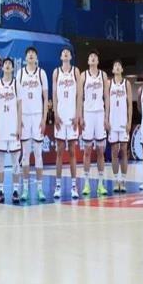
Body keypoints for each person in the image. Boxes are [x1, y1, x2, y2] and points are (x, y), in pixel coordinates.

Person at [17, 47, 48, 202]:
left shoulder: (41, 73)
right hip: (24, 117)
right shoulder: (20, 73)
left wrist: (44, 118)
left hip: (37, 117)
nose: (31, 55)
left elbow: (45, 98)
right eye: (28, 53)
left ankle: (40, 189)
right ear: (25, 58)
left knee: (38, 154)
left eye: (33, 54)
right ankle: (25, 189)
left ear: (36, 58)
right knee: (25, 155)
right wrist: (19, 119)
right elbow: (18, 99)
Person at [78, 50, 109, 196]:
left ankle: (101, 184)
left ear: (98, 61)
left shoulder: (103, 75)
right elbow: (79, 97)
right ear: (88, 61)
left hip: (100, 114)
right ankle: (86, 184)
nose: (92, 58)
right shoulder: (83, 75)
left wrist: (106, 117)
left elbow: (107, 97)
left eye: (95, 57)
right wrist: (80, 116)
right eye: (90, 57)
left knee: (101, 151)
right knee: (87, 151)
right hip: (88, 114)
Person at [52, 48, 81, 199]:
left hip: (72, 118)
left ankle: (74, 186)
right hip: (60, 118)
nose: (65, 53)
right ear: (60, 56)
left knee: (72, 152)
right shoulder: (56, 72)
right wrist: (55, 114)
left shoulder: (75, 71)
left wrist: (78, 115)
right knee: (59, 152)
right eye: (63, 52)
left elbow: (79, 95)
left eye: (67, 52)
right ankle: (57, 186)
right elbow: (54, 95)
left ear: (70, 56)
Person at [0, 57, 22, 204]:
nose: (8, 65)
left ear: (12, 68)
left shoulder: (17, 84)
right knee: (0, 162)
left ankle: (15, 190)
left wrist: (19, 126)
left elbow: (20, 106)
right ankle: (0, 191)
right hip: (1, 128)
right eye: (5, 64)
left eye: (10, 64)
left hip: (13, 127)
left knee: (15, 161)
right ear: (2, 67)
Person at [106, 60, 132, 193]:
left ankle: (124, 180)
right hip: (112, 122)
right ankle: (116, 181)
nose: (116, 67)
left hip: (123, 122)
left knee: (124, 151)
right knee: (114, 152)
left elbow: (130, 105)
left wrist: (129, 122)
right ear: (112, 70)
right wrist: (106, 120)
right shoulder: (108, 84)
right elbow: (107, 104)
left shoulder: (126, 84)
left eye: (119, 66)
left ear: (122, 70)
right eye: (114, 66)